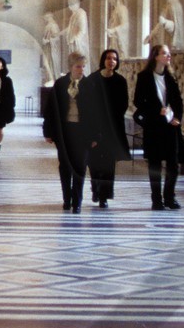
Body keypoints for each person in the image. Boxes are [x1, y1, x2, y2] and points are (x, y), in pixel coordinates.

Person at [134, 43, 184, 210]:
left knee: (173, 164)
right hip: (154, 126)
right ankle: (156, 199)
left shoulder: (171, 77)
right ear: (156, 56)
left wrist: (177, 117)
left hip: (170, 126)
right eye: (165, 53)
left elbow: (178, 101)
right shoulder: (144, 77)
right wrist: (157, 111)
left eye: (169, 53)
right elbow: (138, 101)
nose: (168, 56)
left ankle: (169, 197)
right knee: (155, 164)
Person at [81, 48, 129, 206]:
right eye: (108, 58)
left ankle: (104, 196)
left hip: (112, 128)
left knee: (108, 163)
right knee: (94, 162)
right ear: (103, 60)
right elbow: (86, 105)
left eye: (114, 59)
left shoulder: (120, 81)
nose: (111, 61)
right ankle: (96, 187)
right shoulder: (92, 80)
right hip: (94, 127)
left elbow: (123, 104)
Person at [43, 53, 90, 212]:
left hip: (82, 131)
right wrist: (47, 131)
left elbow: (96, 112)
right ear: (70, 67)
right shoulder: (60, 84)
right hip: (64, 131)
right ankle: (67, 198)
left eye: (83, 66)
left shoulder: (89, 85)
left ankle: (77, 201)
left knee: (80, 166)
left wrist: (96, 135)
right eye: (78, 66)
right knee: (65, 165)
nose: (81, 70)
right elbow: (50, 109)